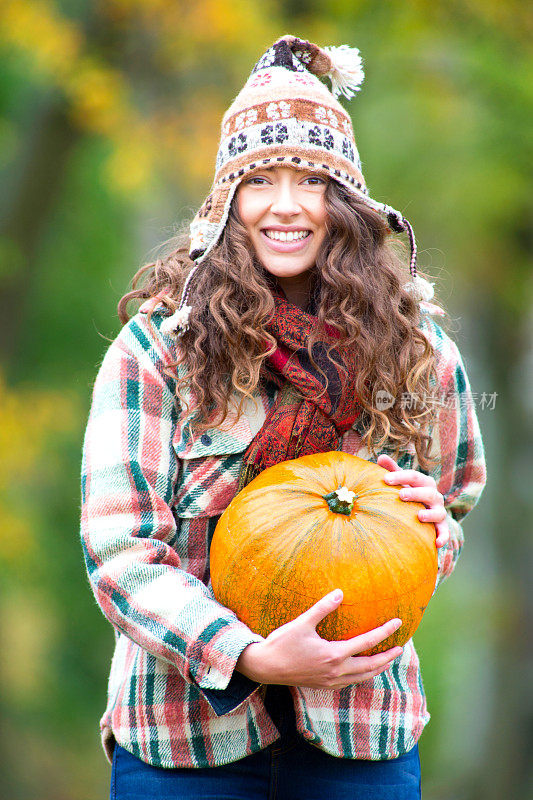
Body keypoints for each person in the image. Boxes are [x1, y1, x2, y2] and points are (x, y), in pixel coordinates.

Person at [80, 35, 486, 800]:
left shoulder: (418, 351)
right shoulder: (157, 349)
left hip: (362, 728)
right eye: (259, 179)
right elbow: (119, 547)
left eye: (312, 179)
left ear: (349, 201)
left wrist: (435, 531)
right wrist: (247, 655)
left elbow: (453, 500)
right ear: (227, 200)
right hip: (184, 733)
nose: (286, 205)